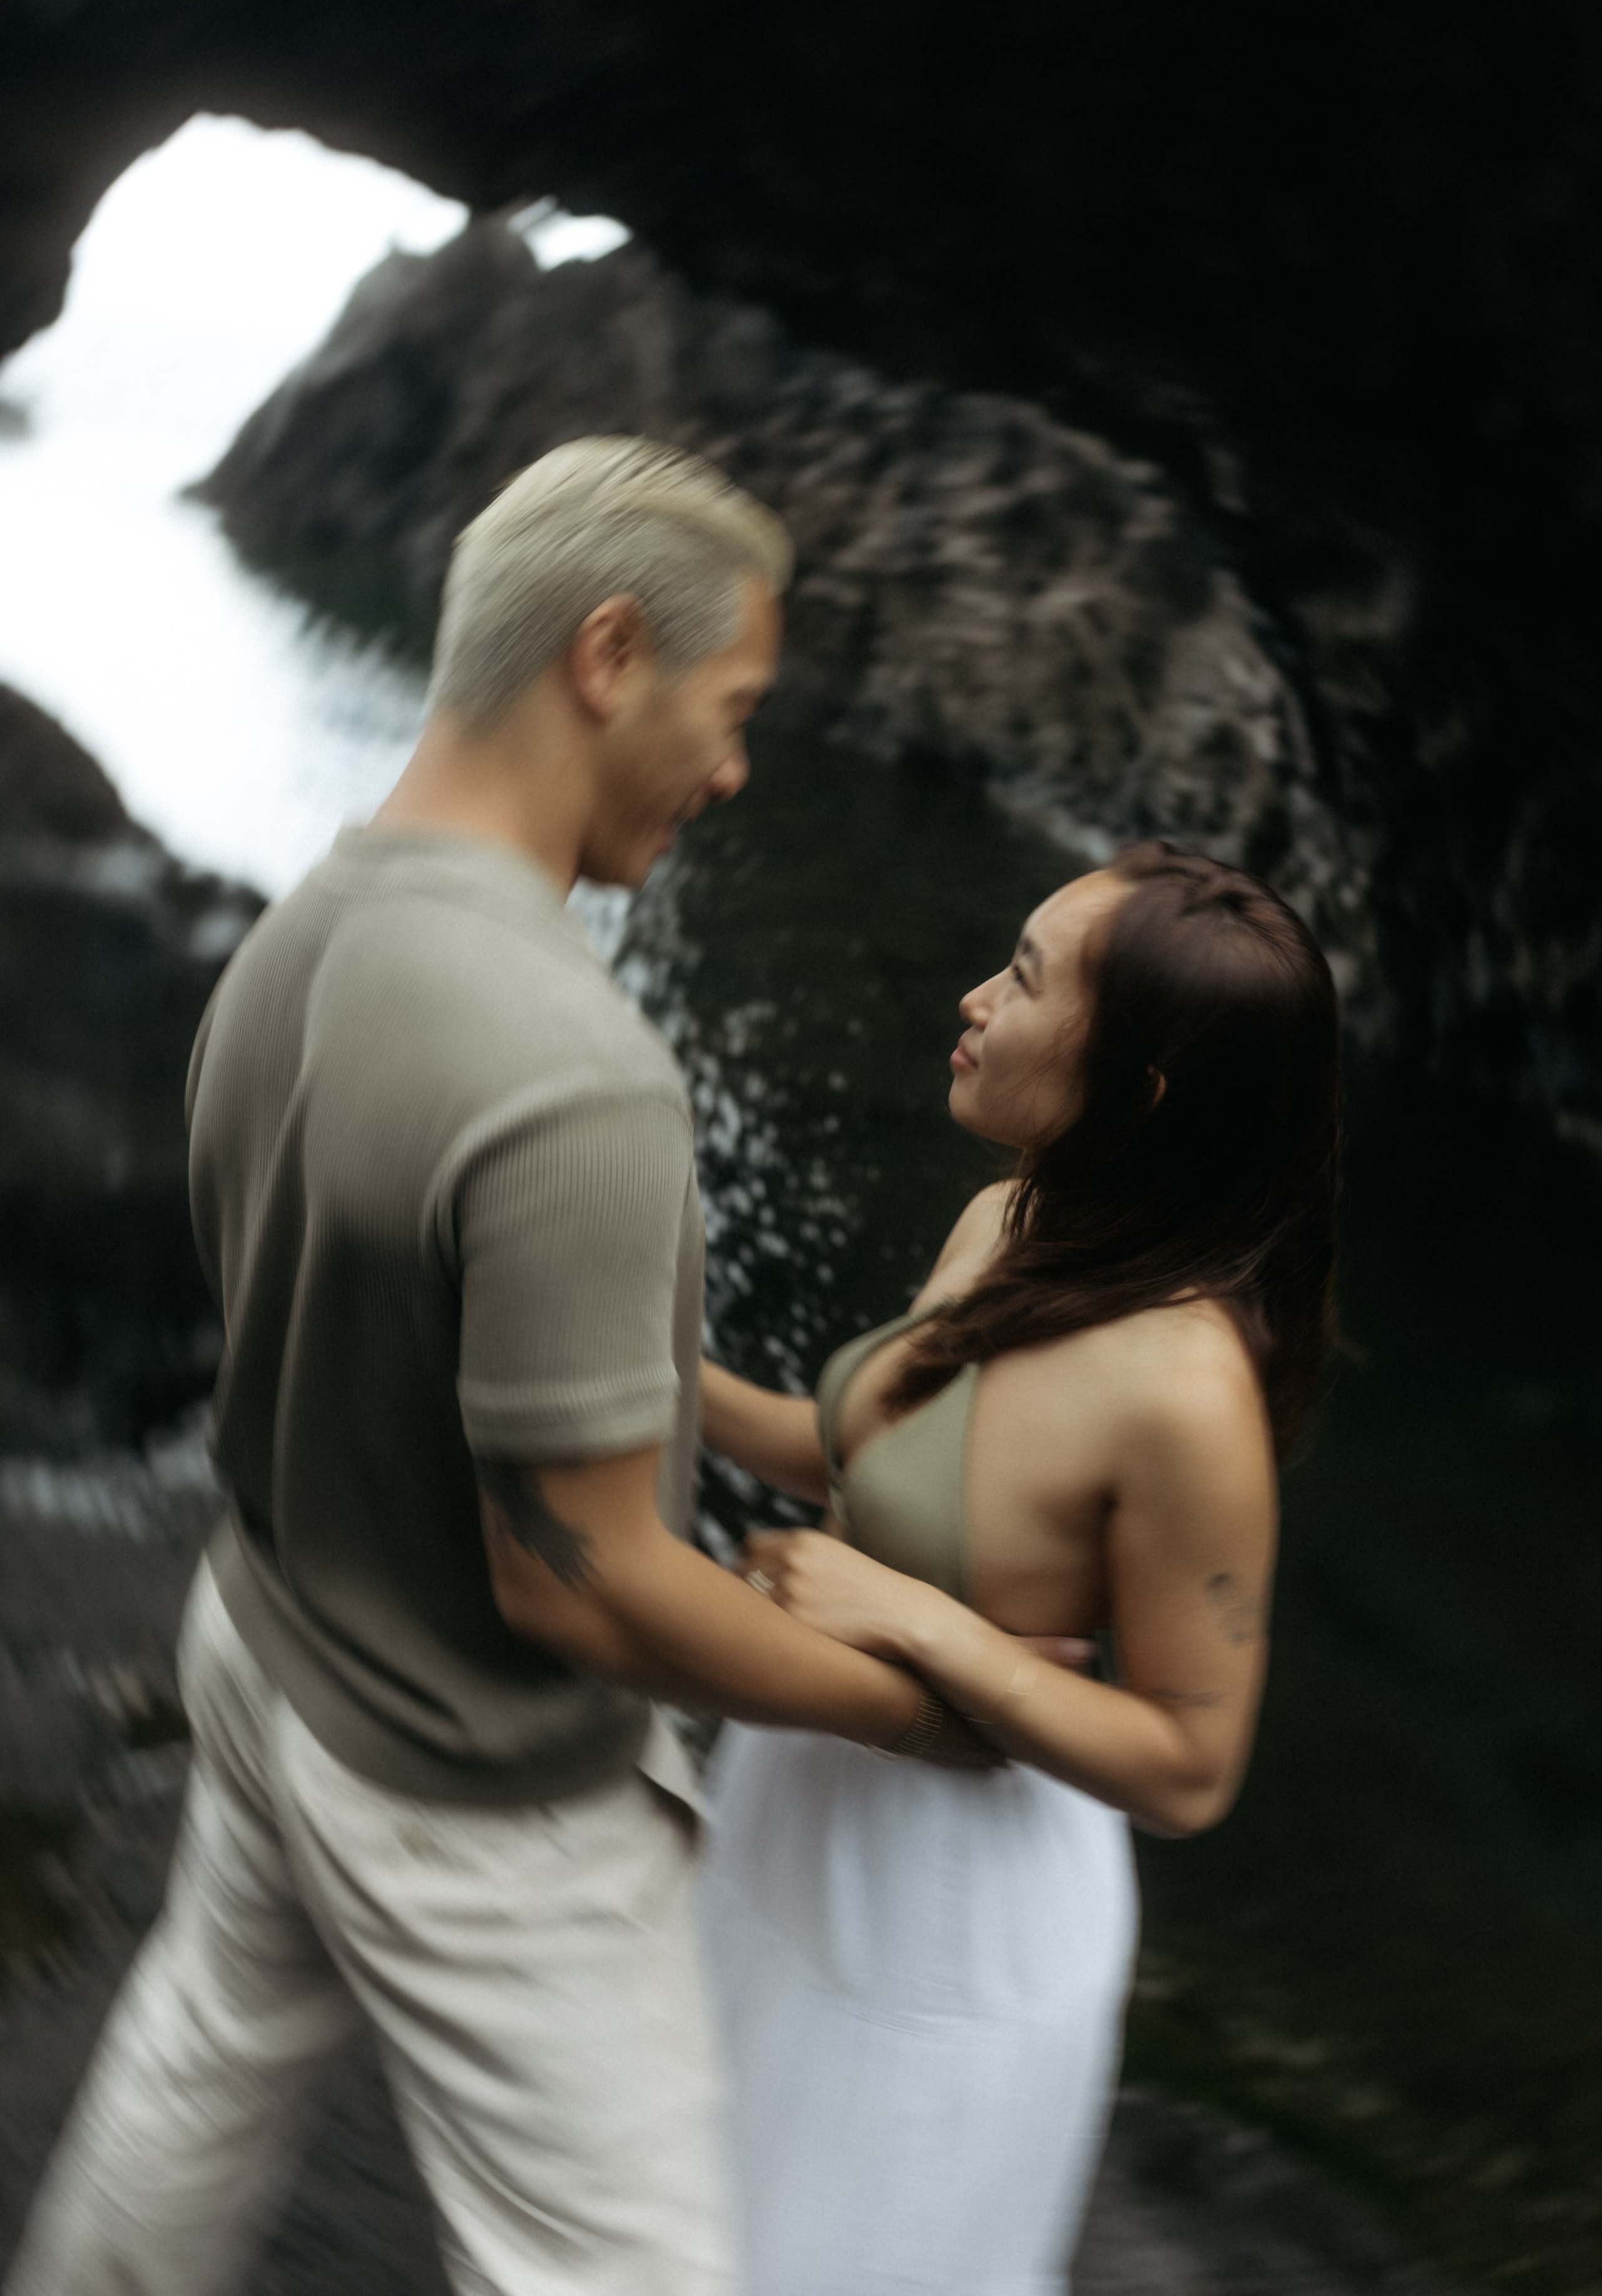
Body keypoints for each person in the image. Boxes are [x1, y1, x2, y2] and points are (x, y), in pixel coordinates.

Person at [6, 437, 987, 2296]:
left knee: (195, 2079)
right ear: (608, 655)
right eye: (734, 706)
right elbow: (583, 1577)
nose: (735, 767)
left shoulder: (294, 938)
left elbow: (405, 1327)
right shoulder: (576, 1071)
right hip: (469, 1785)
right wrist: (917, 1697)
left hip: (269, 1633)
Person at [698, 841, 1342, 2296]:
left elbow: (1189, 1763)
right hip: (796, 1799)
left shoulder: (1184, 1397)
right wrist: (630, 1372)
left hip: (945, 1905)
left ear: (1141, 1093)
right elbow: (877, 1458)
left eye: (1029, 981)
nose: (975, 997)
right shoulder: (1008, 1217)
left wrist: (929, 1629)